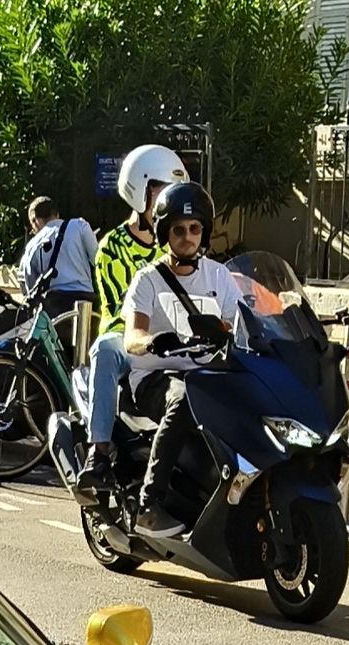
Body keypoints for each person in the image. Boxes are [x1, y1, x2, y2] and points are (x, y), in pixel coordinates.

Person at [121, 181, 247, 538]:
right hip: (155, 378)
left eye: (194, 229)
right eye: (178, 229)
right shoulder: (148, 281)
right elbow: (132, 336)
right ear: (165, 233)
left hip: (208, 375)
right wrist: (152, 342)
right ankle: (149, 505)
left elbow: (241, 323)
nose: (187, 237)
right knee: (183, 397)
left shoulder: (219, 277)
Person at [79, 143, 188, 481]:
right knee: (104, 351)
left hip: (175, 338)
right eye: (161, 191)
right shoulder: (112, 247)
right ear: (139, 191)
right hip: (128, 338)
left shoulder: (175, 243)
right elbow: (119, 308)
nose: (167, 199)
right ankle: (97, 453)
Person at [15, 196, 96, 319]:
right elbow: (98, 260)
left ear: (34, 220)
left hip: (55, 307)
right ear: (56, 214)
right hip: (86, 302)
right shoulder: (80, 226)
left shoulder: (32, 245)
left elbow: (29, 285)